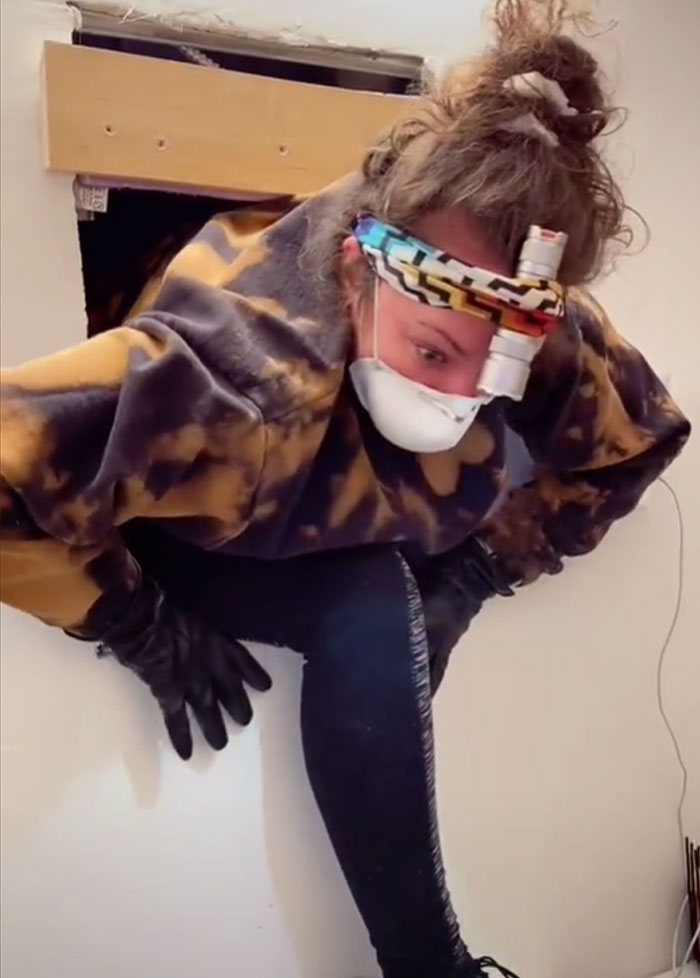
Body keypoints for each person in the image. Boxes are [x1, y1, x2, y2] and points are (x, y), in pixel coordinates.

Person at [0, 3, 690, 976]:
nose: (463, 395)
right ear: (358, 274)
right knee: (366, 596)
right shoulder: (230, 381)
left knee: (392, 581)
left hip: (352, 405)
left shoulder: (514, 310)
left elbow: (639, 437)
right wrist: (130, 619)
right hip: (202, 483)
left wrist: (479, 573)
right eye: (435, 354)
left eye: (495, 370)